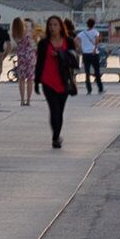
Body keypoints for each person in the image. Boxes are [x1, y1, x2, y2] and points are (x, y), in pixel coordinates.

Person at [38, 18, 76, 149]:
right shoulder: (43, 43)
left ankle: (57, 134)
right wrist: (36, 81)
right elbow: (39, 63)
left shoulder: (68, 41)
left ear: (61, 27)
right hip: (47, 81)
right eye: (50, 25)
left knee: (60, 111)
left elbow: (74, 60)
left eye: (55, 25)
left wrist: (60, 53)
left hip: (63, 81)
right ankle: (55, 138)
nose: (52, 27)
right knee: (54, 109)